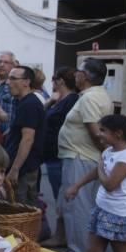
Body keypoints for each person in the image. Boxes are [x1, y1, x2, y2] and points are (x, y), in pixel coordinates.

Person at [65, 115, 126, 252]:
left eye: (103, 131)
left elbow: (110, 184)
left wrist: (99, 166)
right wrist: (77, 185)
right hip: (102, 210)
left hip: (120, 215)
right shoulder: (109, 151)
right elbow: (98, 173)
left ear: (118, 134)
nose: (99, 134)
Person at [52, 58, 113, 252]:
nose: (75, 75)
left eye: (78, 71)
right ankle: (72, 244)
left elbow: (97, 134)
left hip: (81, 157)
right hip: (82, 156)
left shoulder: (89, 99)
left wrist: (105, 156)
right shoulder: (97, 95)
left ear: (84, 76)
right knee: (72, 204)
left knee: (78, 207)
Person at [4, 66, 45, 207]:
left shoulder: (30, 104)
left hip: (24, 170)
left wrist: (15, 169)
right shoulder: (23, 102)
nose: (8, 82)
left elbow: (27, 139)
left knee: (22, 212)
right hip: (20, 167)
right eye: (9, 78)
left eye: (13, 78)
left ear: (26, 82)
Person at [41, 67, 78, 202]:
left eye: (53, 80)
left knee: (62, 198)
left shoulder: (72, 100)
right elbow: (42, 114)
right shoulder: (59, 100)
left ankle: (63, 222)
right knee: (59, 197)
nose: (52, 83)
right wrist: (50, 101)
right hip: (52, 154)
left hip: (59, 155)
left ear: (60, 81)